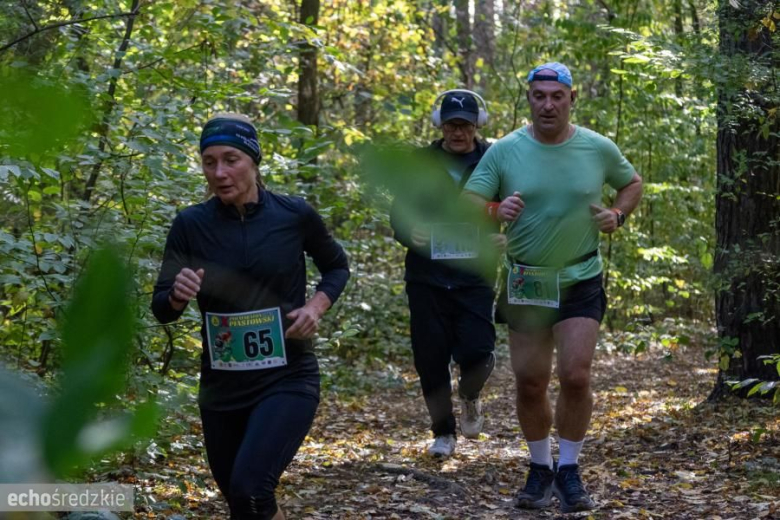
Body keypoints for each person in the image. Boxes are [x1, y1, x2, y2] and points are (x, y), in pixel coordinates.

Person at [463, 63, 643, 512]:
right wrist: (494, 210)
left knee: (576, 376)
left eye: (556, 96)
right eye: (539, 95)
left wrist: (616, 216)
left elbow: (632, 183)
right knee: (529, 382)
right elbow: (468, 200)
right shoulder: (505, 150)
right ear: (529, 99)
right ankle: (540, 466)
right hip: (527, 280)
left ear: (571, 98)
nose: (548, 104)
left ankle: (570, 469)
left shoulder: (597, 147)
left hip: (580, 276)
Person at [151, 113, 349, 520]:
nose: (219, 172)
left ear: (254, 161)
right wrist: (177, 295)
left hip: (287, 375)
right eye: (209, 162)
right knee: (245, 503)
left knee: (251, 488)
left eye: (231, 159)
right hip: (221, 386)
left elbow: (337, 267)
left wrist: (315, 306)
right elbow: (161, 309)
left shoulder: (293, 215)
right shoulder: (190, 224)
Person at [389, 90, 503, 459]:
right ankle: (443, 432)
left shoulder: (493, 158)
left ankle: (469, 396)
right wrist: (411, 231)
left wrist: (506, 236)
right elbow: (400, 212)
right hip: (427, 276)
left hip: (475, 274)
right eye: (452, 124)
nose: (458, 132)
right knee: (430, 357)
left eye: (465, 124)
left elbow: (515, 205)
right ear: (441, 124)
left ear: (477, 125)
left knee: (478, 350)